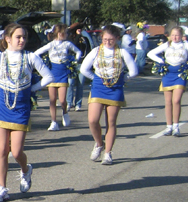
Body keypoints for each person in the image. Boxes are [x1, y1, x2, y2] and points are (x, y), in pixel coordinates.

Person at [0, 24, 53, 202]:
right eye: (18, 37)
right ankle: (2, 188)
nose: (21, 40)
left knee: (17, 150)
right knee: (2, 150)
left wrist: (31, 89)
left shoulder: (31, 57)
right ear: (7, 39)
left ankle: (25, 169)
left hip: (21, 108)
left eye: (24, 37)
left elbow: (49, 77)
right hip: (3, 107)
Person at [80, 24, 138, 165]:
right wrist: (96, 79)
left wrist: (123, 78)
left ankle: (108, 153)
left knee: (111, 122)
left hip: (115, 89)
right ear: (101, 38)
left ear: (117, 38)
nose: (108, 42)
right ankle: (99, 144)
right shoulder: (95, 51)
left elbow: (134, 71)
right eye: (105, 39)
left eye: (111, 40)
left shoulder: (122, 53)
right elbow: (84, 69)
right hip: (99, 87)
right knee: (93, 120)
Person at [34, 23, 83, 131]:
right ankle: (54, 121)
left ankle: (65, 113)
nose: (66, 34)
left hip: (63, 73)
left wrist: (74, 61)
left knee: (62, 100)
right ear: (59, 33)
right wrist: (42, 65)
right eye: (64, 32)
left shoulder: (67, 44)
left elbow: (78, 52)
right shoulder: (50, 45)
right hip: (52, 74)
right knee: (52, 100)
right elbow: (37, 53)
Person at [147, 26, 187, 136]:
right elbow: (150, 53)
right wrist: (161, 60)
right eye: (173, 35)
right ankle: (169, 127)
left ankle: (176, 126)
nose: (175, 37)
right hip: (168, 75)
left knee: (176, 100)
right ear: (169, 36)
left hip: (180, 75)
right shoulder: (167, 45)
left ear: (181, 36)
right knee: (168, 102)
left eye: (177, 35)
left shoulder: (185, 45)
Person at [67, 23, 91, 111]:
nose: (80, 31)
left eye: (81, 29)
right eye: (78, 29)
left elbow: (88, 50)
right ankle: (69, 102)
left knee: (80, 84)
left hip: (82, 64)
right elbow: (74, 45)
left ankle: (78, 104)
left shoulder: (85, 39)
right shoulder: (70, 39)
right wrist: (77, 36)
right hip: (73, 64)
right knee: (70, 83)